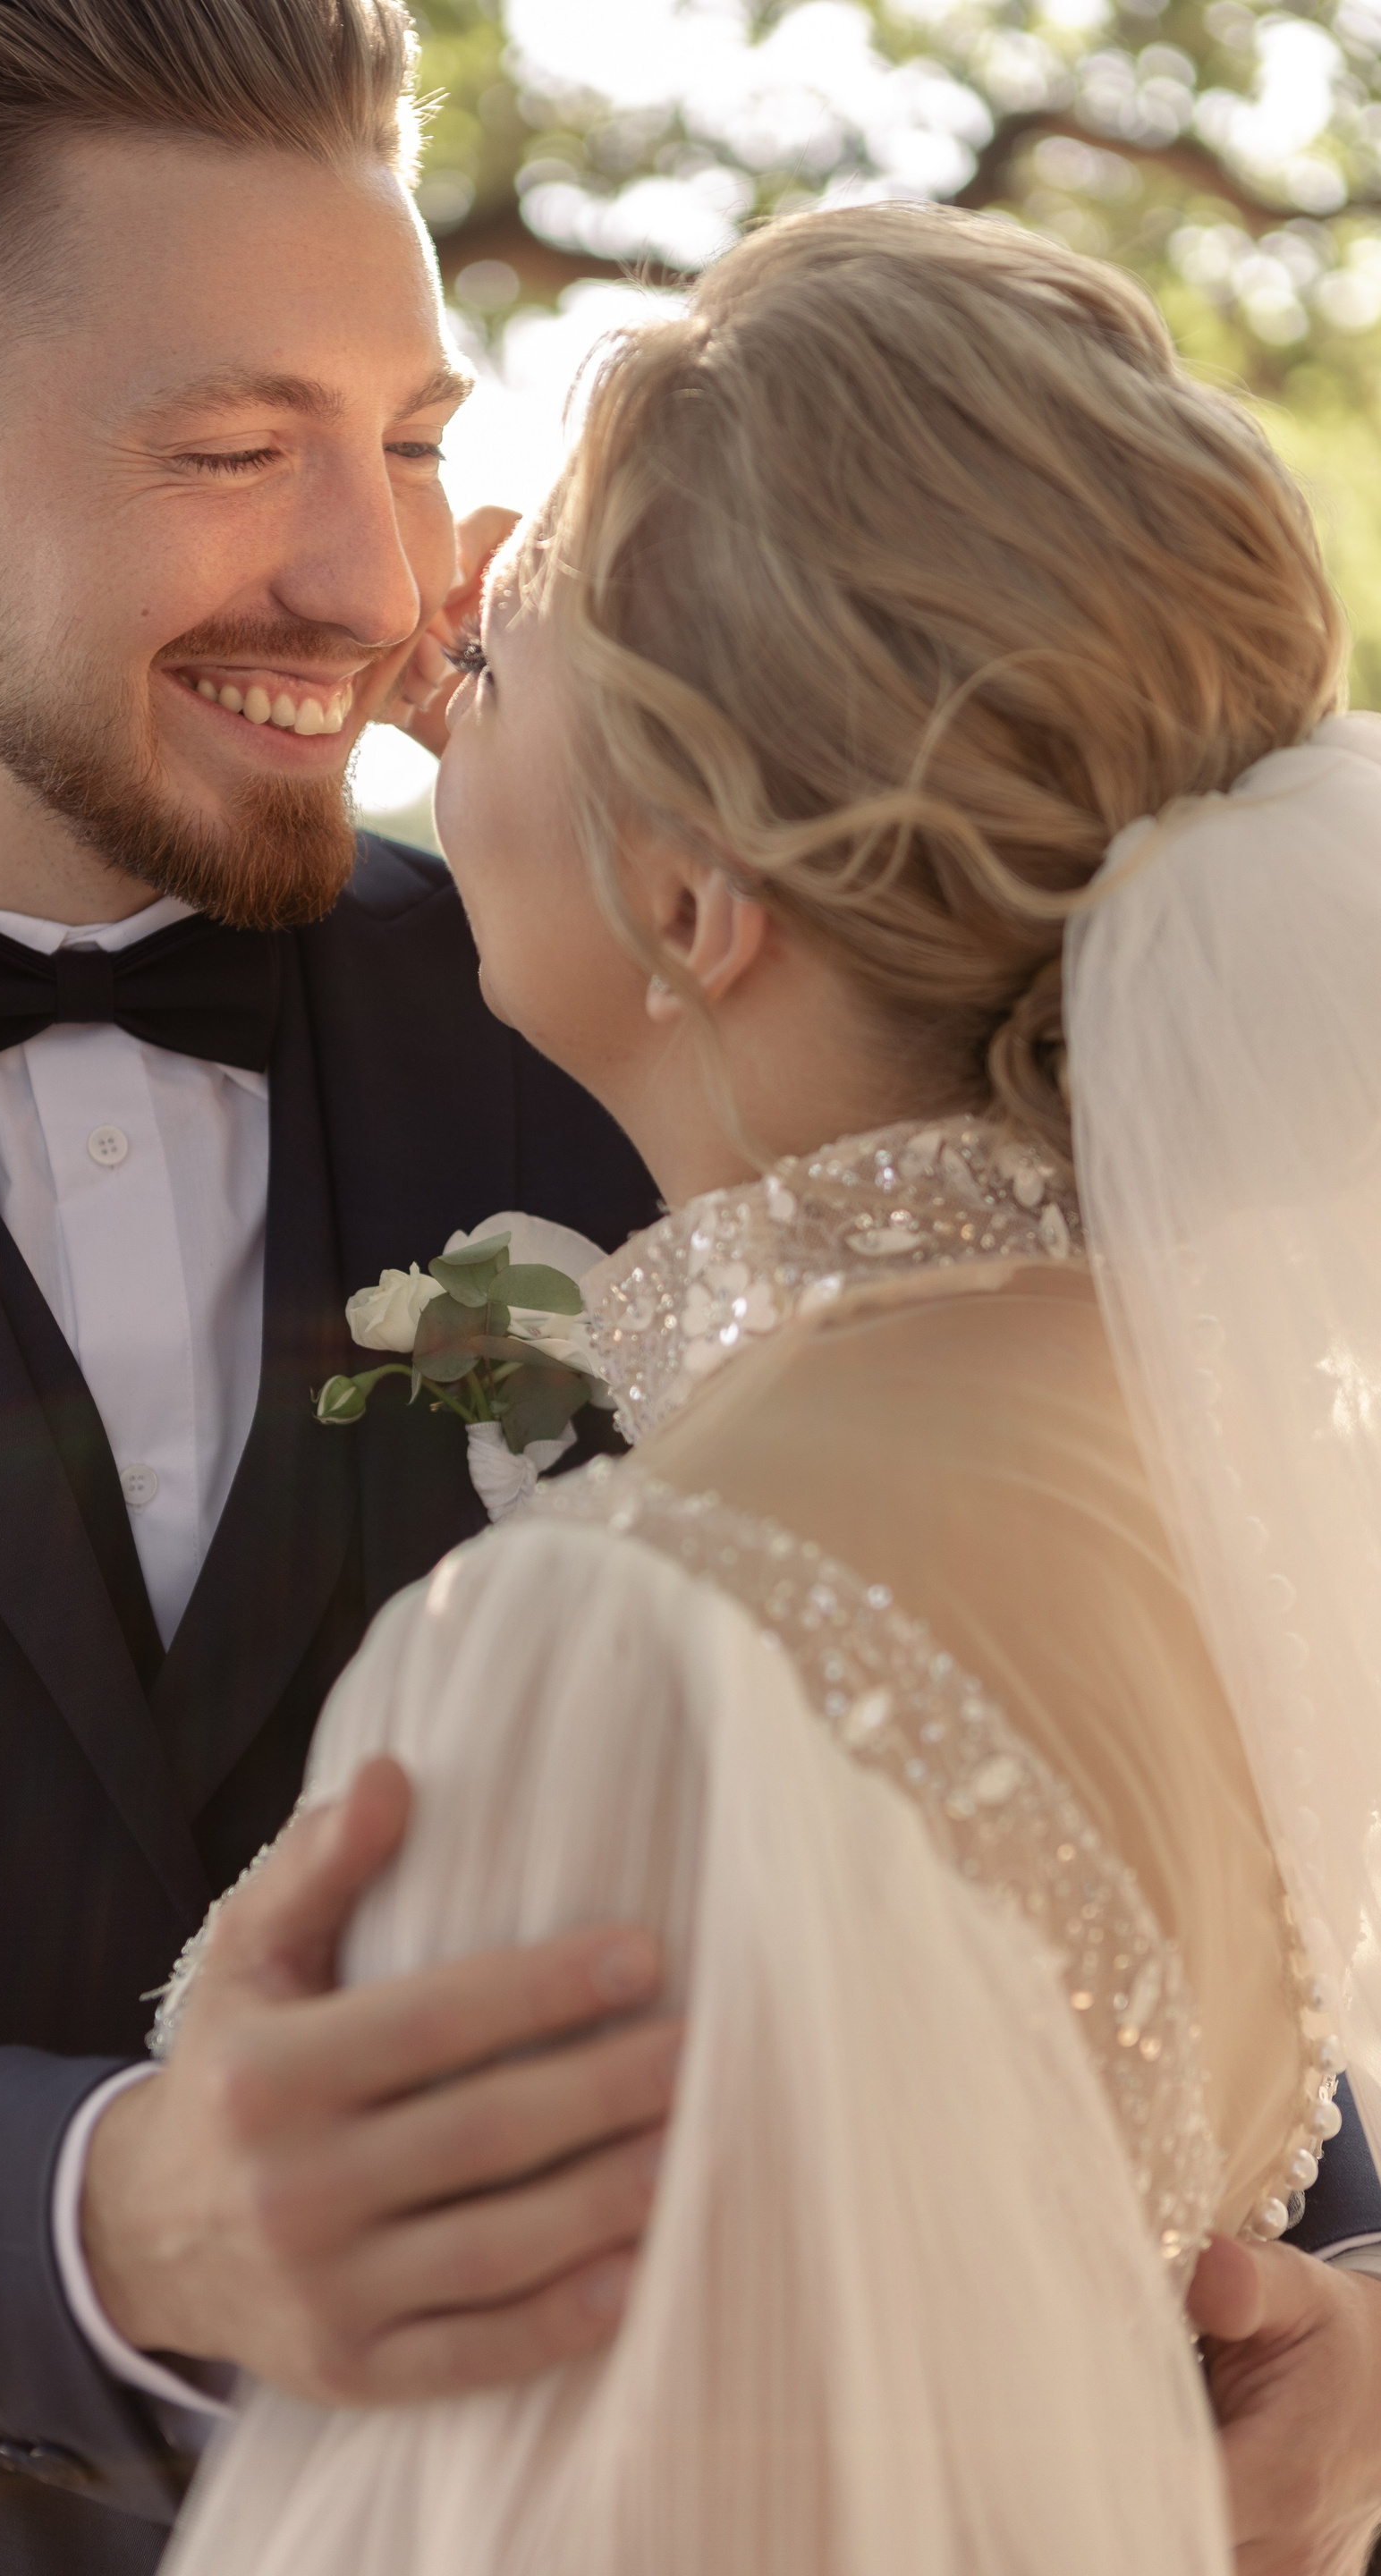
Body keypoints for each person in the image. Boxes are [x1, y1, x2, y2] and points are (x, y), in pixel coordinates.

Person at [150, 206, 1381, 2574]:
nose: (438, 607)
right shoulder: (1223, 1452)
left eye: (516, 620)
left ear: (703, 908)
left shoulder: (641, 1631)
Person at [0, 3, 670, 2570]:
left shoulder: (639, 1030)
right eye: (235, 451)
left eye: (413, 443)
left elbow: (998, 1649)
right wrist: (110, 2224)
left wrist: (1335, 2272)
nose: (374, 583)